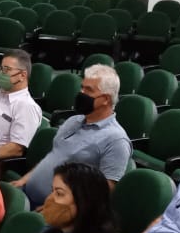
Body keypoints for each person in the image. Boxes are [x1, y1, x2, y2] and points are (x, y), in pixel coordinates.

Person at [12, 64, 132, 208]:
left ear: (106, 99)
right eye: (82, 87)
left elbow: (104, 190)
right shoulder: (73, 121)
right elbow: (54, 156)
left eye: (88, 90)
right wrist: (24, 180)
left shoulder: (116, 140)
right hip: (27, 195)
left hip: (59, 212)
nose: (81, 93)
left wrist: (58, 209)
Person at [0, 49, 44, 159]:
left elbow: (16, 149)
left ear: (22, 75)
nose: (1, 73)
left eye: (7, 70)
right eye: (1, 69)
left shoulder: (26, 106)